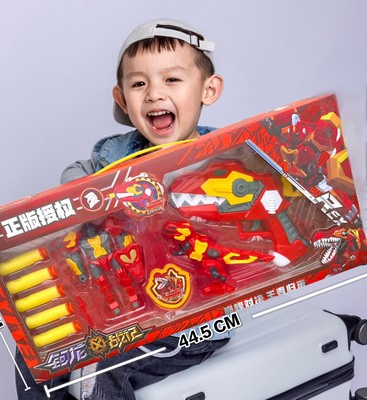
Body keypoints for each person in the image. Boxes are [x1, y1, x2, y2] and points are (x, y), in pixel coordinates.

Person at [16, 18, 231, 400]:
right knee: (36, 353)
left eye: (172, 79)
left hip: (193, 320)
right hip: (124, 306)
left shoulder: (222, 159)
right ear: (122, 100)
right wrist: (91, 196)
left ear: (208, 89)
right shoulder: (115, 155)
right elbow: (76, 176)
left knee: (101, 366)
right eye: (138, 84)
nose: (154, 94)